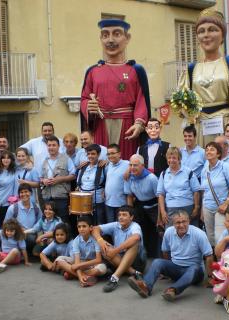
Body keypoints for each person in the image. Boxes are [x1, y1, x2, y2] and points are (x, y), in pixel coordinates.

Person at [80, 18, 151, 160]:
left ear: (127, 38)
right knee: (102, 163)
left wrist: (139, 124)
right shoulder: (93, 71)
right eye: (105, 35)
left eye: (116, 34)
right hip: (100, 124)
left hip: (127, 126)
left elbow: (142, 100)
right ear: (101, 39)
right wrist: (89, 106)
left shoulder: (136, 70)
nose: (110, 40)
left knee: (126, 163)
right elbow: (84, 98)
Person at [178, 9, 229, 146]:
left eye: (212, 30)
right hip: (199, 127)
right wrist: (189, 114)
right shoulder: (191, 69)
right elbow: (183, 101)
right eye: (201, 31)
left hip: (225, 125)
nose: (206, 35)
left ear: (222, 36)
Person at [128, 210, 213, 301]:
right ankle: (145, 287)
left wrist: (209, 277)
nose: (181, 225)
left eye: (184, 221)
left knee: (194, 268)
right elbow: (165, 251)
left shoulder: (199, 234)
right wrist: (166, 269)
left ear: (188, 221)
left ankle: (173, 290)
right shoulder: (168, 232)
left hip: (194, 272)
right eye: (178, 222)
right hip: (176, 268)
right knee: (158, 262)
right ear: (173, 223)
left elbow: (209, 256)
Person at [92, 205, 146, 292]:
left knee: (134, 243)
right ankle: (134, 273)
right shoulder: (115, 225)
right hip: (119, 260)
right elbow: (95, 229)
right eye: (119, 215)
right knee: (102, 246)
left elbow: (136, 237)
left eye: (124, 215)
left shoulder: (135, 226)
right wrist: (100, 240)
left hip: (136, 262)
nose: (121, 217)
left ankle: (115, 278)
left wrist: (115, 251)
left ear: (131, 217)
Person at [200, 142, 229, 246]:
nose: (208, 151)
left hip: (221, 208)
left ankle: (223, 260)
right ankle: (213, 260)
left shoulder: (225, 167)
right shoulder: (204, 170)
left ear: (218, 154)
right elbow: (204, 191)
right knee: (210, 237)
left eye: (212, 149)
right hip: (207, 208)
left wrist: (226, 203)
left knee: (220, 237)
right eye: (207, 149)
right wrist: (202, 210)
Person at [56, 215, 107, 287]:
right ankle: (86, 277)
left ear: (90, 228)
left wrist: (78, 265)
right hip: (81, 263)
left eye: (84, 226)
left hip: (93, 264)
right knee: (59, 260)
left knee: (102, 268)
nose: (81, 229)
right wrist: (80, 277)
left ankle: (72, 274)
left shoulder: (95, 239)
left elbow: (98, 260)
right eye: (79, 227)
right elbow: (77, 260)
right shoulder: (76, 240)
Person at [125, 154, 159, 258]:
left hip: (154, 206)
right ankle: (141, 257)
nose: (132, 168)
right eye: (130, 165)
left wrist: (160, 216)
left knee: (154, 233)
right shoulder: (129, 177)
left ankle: (154, 257)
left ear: (142, 166)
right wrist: (130, 213)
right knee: (141, 231)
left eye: (135, 165)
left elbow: (160, 197)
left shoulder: (152, 178)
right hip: (139, 206)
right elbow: (129, 196)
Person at [157, 147, 201, 228]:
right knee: (171, 233)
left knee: (190, 232)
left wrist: (196, 208)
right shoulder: (163, 174)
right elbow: (161, 195)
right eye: (169, 158)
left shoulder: (188, 172)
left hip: (188, 208)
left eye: (174, 158)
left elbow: (196, 191)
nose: (171, 160)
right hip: (171, 209)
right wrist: (163, 212)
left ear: (179, 159)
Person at [40, 135, 76, 223]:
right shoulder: (44, 160)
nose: (51, 147)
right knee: (48, 222)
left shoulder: (66, 159)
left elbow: (73, 175)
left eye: (53, 145)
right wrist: (43, 181)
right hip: (47, 197)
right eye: (49, 145)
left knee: (63, 222)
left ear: (58, 146)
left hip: (61, 197)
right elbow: (40, 178)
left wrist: (60, 179)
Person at [4, 183, 42, 253]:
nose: (24, 194)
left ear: (31, 193)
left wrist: (32, 231)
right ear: (19, 194)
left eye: (26, 192)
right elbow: (6, 224)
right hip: (16, 233)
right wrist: (18, 229)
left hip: (31, 233)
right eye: (21, 192)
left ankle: (24, 252)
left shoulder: (36, 207)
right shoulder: (13, 208)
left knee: (31, 238)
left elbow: (40, 222)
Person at [76, 144, 106, 225]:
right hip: (83, 200)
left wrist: (107, 161)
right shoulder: (84, 166)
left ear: (98, 154)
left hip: (97, 200)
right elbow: (79, 182)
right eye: (88, 154)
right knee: (85, 222)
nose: (90, 156)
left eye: (93, 154)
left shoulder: (103, 166)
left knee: (99, 222)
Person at [104, 143, 129, 222]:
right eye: (108, 154)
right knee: (110, 225)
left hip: (121, 203)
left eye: (113, 153)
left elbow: (138, 163)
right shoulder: (107, 166)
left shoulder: (127, 164)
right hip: (108, 202)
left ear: (119, 154)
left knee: (121, 225)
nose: (110, 156)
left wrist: (129, 170)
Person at [0, 150, 17, 228]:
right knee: (2, 227)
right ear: (1, 160)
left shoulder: (14, 171)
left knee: (12, 227)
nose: (6, 160)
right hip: (1, 204)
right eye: (4, 158)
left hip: (12, 204)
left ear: (11, 160)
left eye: (8, 158)